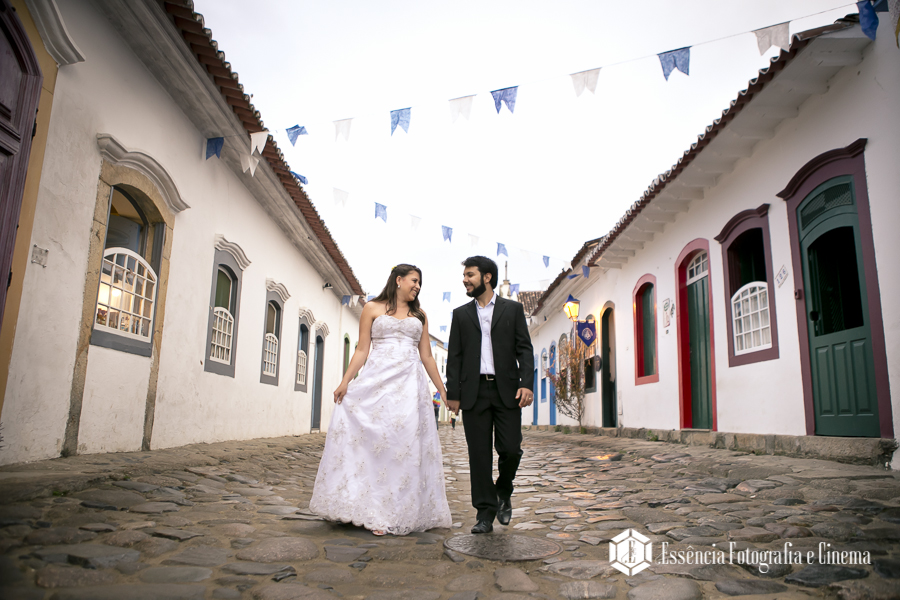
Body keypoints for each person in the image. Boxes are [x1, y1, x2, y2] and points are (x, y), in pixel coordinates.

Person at [309, 264, 452, 536]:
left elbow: (427, 357)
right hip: (377, 383)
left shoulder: (420, 315)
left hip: (410, 387)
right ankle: (369, 507)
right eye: (414, 280)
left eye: (420, 283)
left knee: (404, 446)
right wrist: (345, 381)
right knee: (377, 443)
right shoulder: (372, 309)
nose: (418, 286)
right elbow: (362, 349)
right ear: (398, 280)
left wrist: (442, 391)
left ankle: (397, 510)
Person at [446, 256, 534, 534]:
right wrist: (453, 393)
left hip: (506, 390)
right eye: (464, 275)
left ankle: (503, 490)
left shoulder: (513, 309)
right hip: (474, 393)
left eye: (469, 275)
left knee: (510, 448)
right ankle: (484, 513)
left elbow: (525, 349)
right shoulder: (460, 315)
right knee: (479, 455)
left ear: (486, 277)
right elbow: (455, 357)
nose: (464, 280)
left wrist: (527, 383)